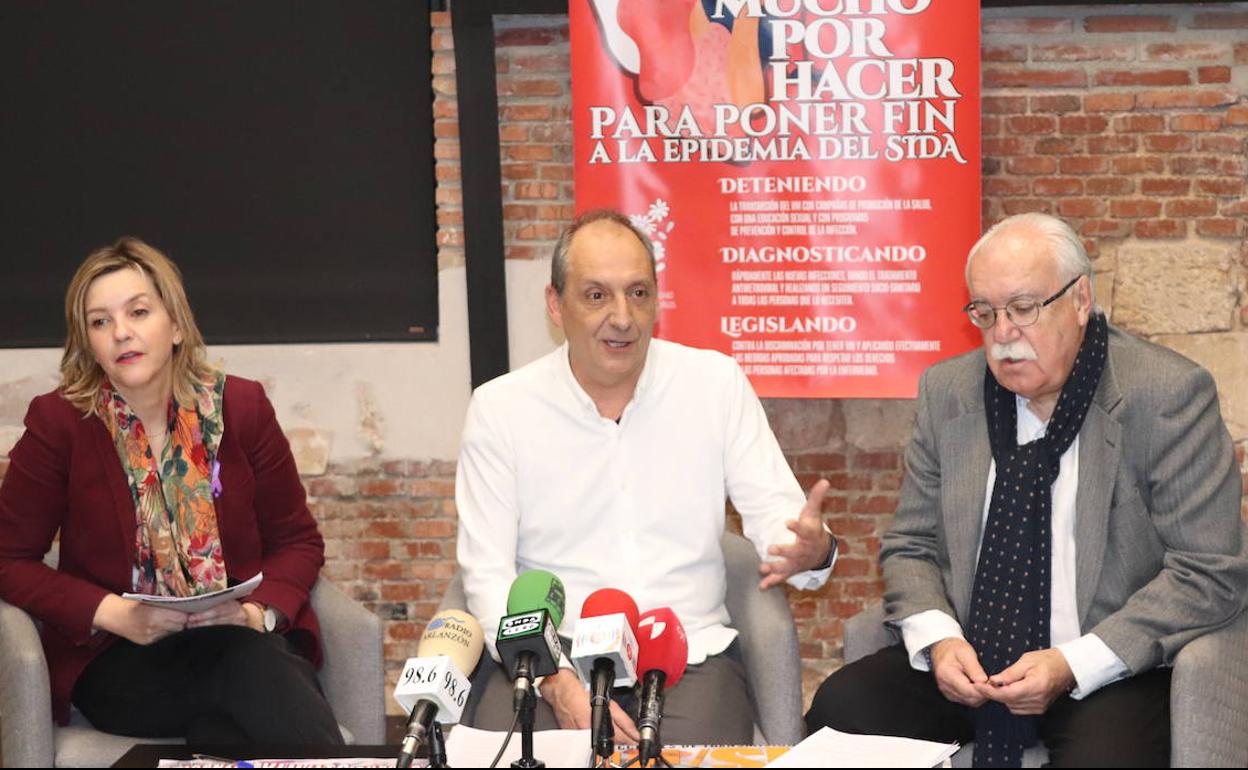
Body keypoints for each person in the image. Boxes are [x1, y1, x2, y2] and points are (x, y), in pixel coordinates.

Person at [805, 212, 1248, 767]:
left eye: (1023, 309)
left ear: (1081, 299)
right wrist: (941, 642)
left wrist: (1072, 663)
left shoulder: (1166, 395)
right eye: (984, 313)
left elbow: (1209, 571)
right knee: (841, 708)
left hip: (1107, 665)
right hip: (973, 660)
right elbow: (910, 545)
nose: (1003, 335)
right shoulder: (949, 392)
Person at [455, 209, 837, 745]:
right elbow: (488, 573)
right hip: (553, 658)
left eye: (638, 293)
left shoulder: (713, 384)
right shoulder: (501, 409)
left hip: (687, 652)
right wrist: (555, 680)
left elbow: (778, 518)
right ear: (554, 304)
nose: (623, 317)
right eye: (596, 296)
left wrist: (809, 550)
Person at [0, 237, 343, 745]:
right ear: (87, 341)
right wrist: (113, 614)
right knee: (252, 670)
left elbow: (297, 542)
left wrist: (254, 614)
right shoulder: (61, 423)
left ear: (176, 325)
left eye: (138, 311)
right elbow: (8, 557)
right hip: (123, 660)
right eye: (100, 321)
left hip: (241, 641)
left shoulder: (242, 408)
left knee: (227, 722)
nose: (121, 333)